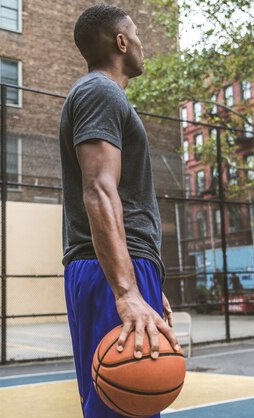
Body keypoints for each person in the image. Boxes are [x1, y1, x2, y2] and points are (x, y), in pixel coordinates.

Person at [59, 5, 179, 417]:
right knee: (123, 405)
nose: (143, 43)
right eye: (137, 33)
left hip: (115, 265)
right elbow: (98, 188)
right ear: (121, 42)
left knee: (121, 406)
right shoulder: (100, 91)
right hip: (104, 269)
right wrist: (126, 289)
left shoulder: (100, 94)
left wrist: (144, 280)